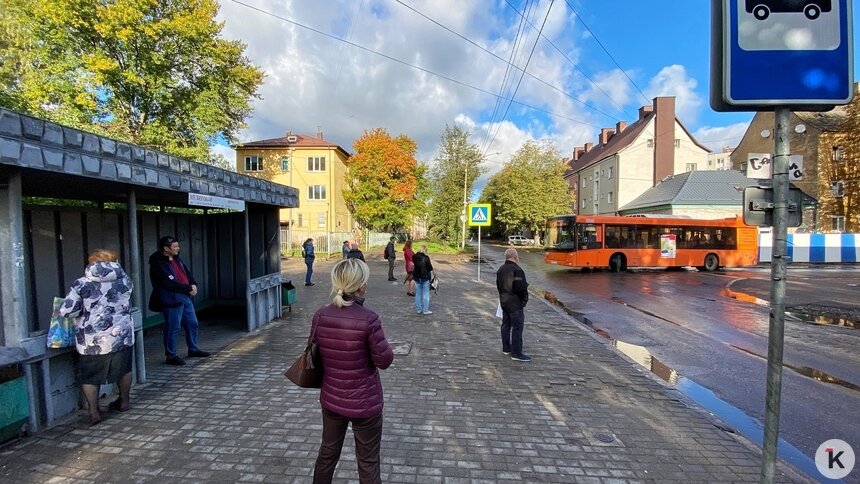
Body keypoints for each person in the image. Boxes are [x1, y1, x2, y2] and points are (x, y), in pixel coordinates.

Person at [311, 258, 394, 483]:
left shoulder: (320, 315)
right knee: (367, 462)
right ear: (360, 286)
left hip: (332, 398)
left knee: (327, 453)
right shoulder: (369, 319)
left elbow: (314, 353)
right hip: (365, 403)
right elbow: (384, 361)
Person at [60, 249, 134, 425]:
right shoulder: (125, 280)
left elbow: (67, 311)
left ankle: (94, 412)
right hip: (121, 335)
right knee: (123, 368)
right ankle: (124, 402)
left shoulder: (82, 284)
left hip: (92, 339)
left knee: (90, 375)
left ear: (92, 263)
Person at [148, 236, 210, 366]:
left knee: (192, 323)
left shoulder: (176, 258)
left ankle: (193, 349)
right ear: (166, 248)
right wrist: (188, 288)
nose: (178, 248)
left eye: (177, 246)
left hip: (184, 296)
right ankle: (171, 355)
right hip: (171, 298)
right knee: (173, 327)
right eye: (175, 247)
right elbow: (168, 282)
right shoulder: (158, 263)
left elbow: (186, 272)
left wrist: (193, 283)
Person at [496, 248, 531, 362]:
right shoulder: (517, 270)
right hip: (515, 304)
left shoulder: (501, 269)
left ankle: (506, 348)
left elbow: (499, 285)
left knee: (505, 325)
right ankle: (516, 353)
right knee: (517, 328)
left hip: (504, 302)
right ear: (515, 257)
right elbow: (520, 288)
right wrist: (523, 299)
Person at [411, 245, 433, 315]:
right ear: (425, 250)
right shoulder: (426, 258)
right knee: (426, 294)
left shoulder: (414, 257)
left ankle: (418, 309)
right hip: (425, 277)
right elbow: (430, 268)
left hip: (417, 277)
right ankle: (425, 310)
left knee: (418, 294)